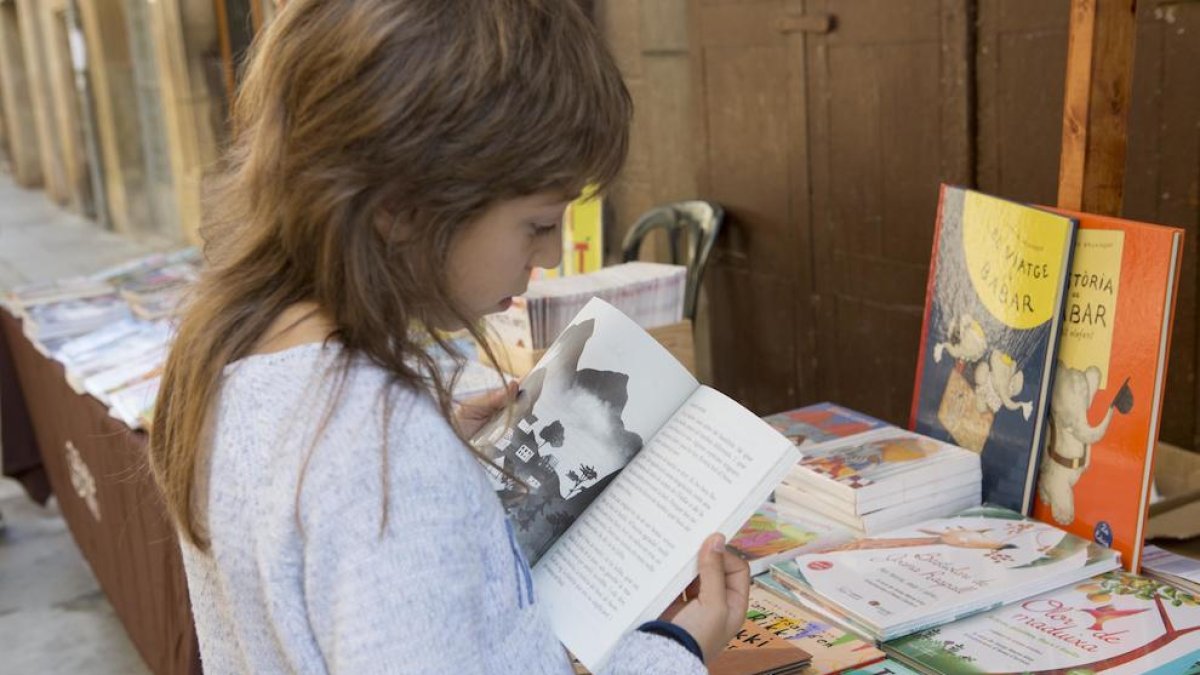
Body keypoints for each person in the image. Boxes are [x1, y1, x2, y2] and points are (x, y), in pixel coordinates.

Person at [147, 1, 749, 672]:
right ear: (403, 210)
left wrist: (435, 438)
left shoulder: (234, 347)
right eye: (537, 222)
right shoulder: (382, 451)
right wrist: (670, 651)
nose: (548, 256)